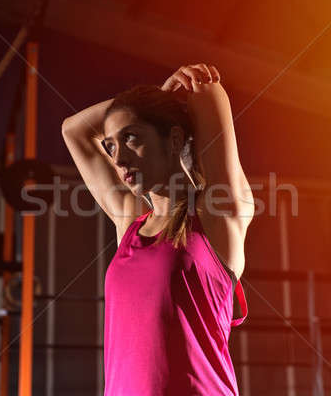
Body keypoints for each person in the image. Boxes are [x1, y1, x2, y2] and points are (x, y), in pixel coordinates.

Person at [62, 63, 254, 395]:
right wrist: (155, 97)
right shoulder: (130, 224)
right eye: (111, 145)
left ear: (174, 139)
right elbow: (73, 130)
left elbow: (206, 91)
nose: (118, 158)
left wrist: (157, 102)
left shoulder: (216, 217)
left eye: (131, 137)